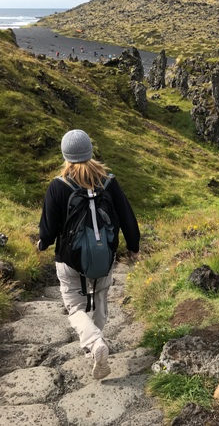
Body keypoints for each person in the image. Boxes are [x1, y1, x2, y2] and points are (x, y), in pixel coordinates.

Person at [37, 129, 140, 379]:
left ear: (65, 155)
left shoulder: (58, 186)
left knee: (75, 307)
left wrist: (42, 244)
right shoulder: (108, 182)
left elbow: (49, 228)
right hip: (104, 257)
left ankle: (94, 344)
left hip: (69, 260)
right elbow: (127, 217)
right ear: (90, 151)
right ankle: (96, 342)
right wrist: (134, 246)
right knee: (100, 299)